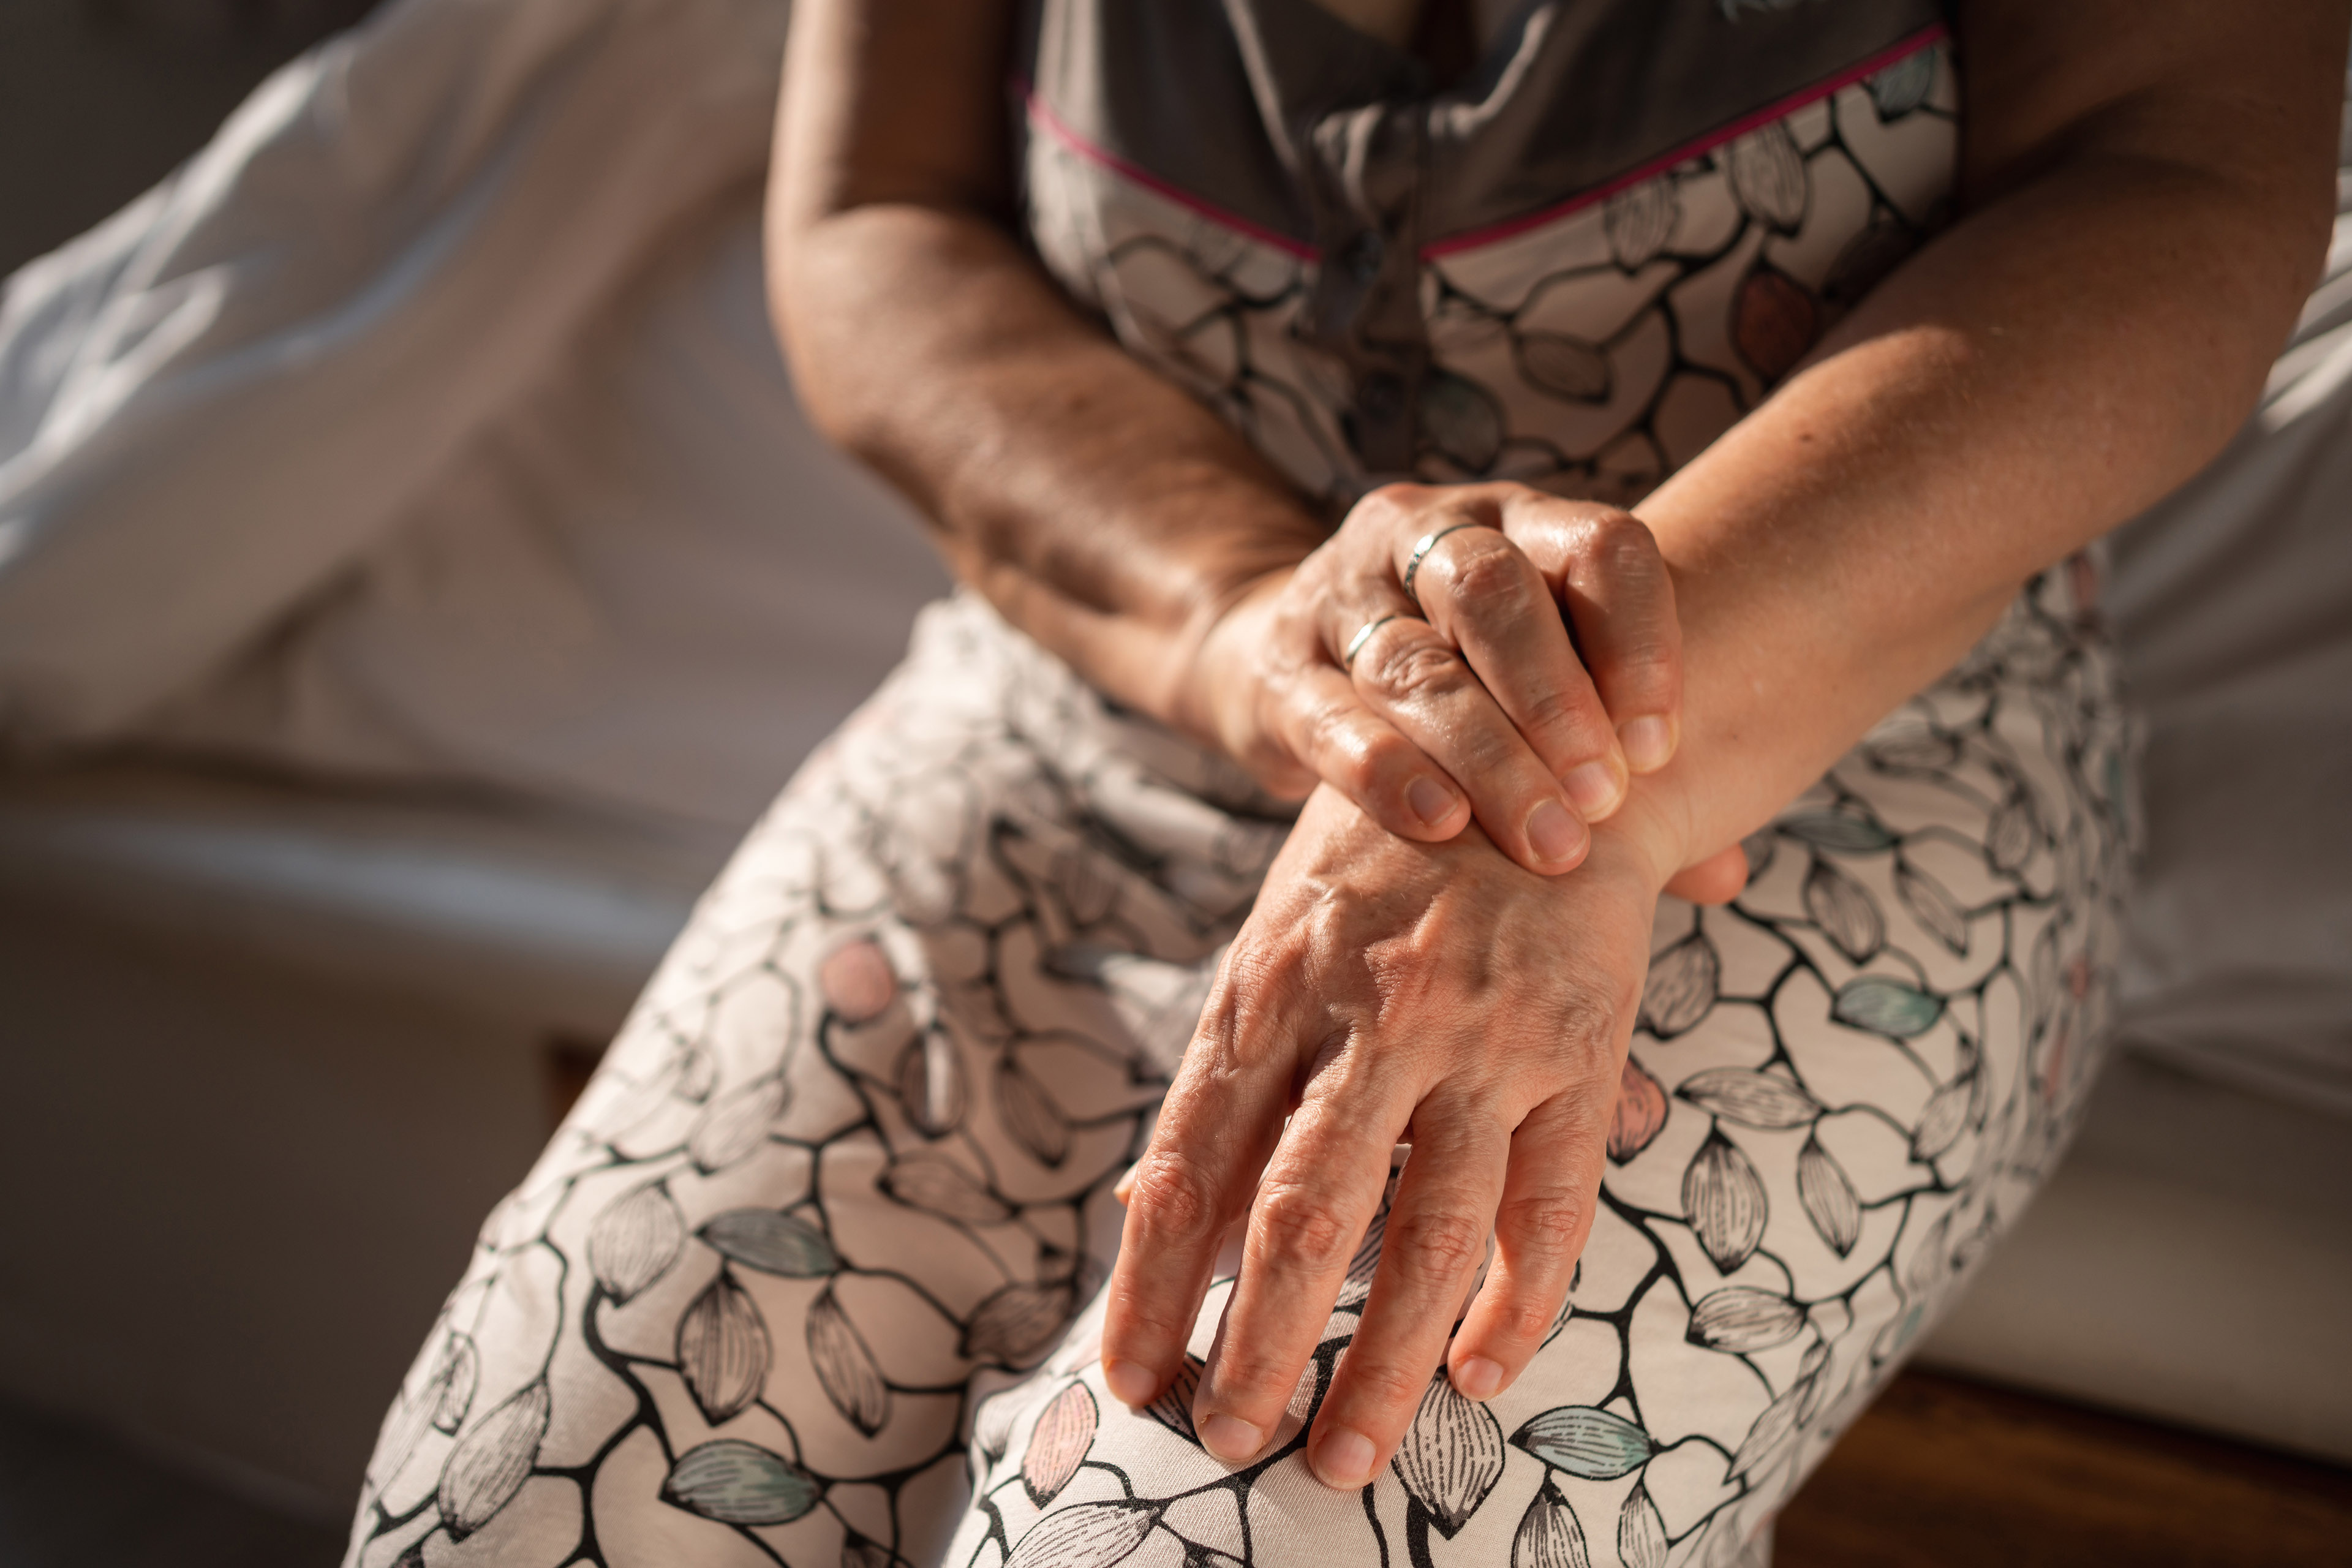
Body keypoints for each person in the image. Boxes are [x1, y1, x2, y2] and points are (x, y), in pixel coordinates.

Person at [343, 2, 2344, 1564]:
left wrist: (1574, 785)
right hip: (1099, 708)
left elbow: (2174, 176)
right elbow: (878, 218)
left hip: (1806, 755)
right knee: (527, 1510)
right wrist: (1253, 636)